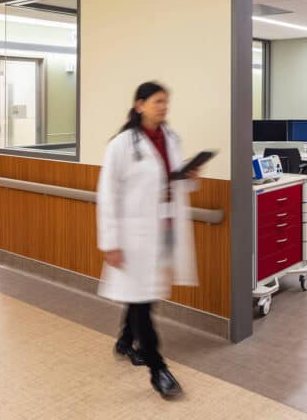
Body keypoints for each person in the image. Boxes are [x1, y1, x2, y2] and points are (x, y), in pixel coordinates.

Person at [97, 81, 200, 399]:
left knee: (145, 294)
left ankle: (126, 342)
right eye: (157, 101)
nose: (164, 107)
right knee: (143, 300)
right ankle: (158, 369)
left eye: (166, 102)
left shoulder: (171, 138)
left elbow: (169, 181)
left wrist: (188, 179)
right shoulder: (122, 145)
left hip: (164, 230)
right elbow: (108, 195)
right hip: (133, 236)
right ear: (139, 105)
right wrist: (110, 242)